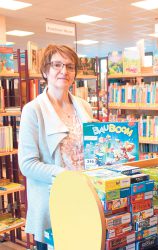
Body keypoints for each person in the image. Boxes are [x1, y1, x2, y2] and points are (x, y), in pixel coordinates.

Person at [18, 44, 96, 250]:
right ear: (45, 70)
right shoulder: (33, 110)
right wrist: (66, 176)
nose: (64, 71)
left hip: (86, 198)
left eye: (70, 66)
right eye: (57, 65)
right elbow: (27, 164)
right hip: (53, 202)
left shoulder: (84, 106)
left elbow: (93, 148)